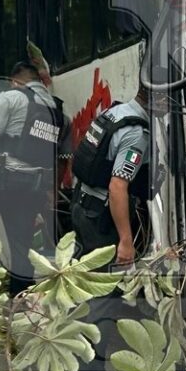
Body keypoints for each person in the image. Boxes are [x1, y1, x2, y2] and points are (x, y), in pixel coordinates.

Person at [0, 59, 68, 294]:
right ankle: (20, 299)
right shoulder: (57, 111)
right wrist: (51, 191)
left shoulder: (11, 97)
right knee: (20, 245)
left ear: (14, 81)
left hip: (6, 179)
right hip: (35, 185)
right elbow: (62, 158)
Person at [70, 84, 151, 267]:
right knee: (104, 281)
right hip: (100, 218)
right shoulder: (137, 133)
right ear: (160, 100)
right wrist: (126, 241)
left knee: (83, 275)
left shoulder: (114, 112)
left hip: (80, 204)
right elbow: (117, 187)